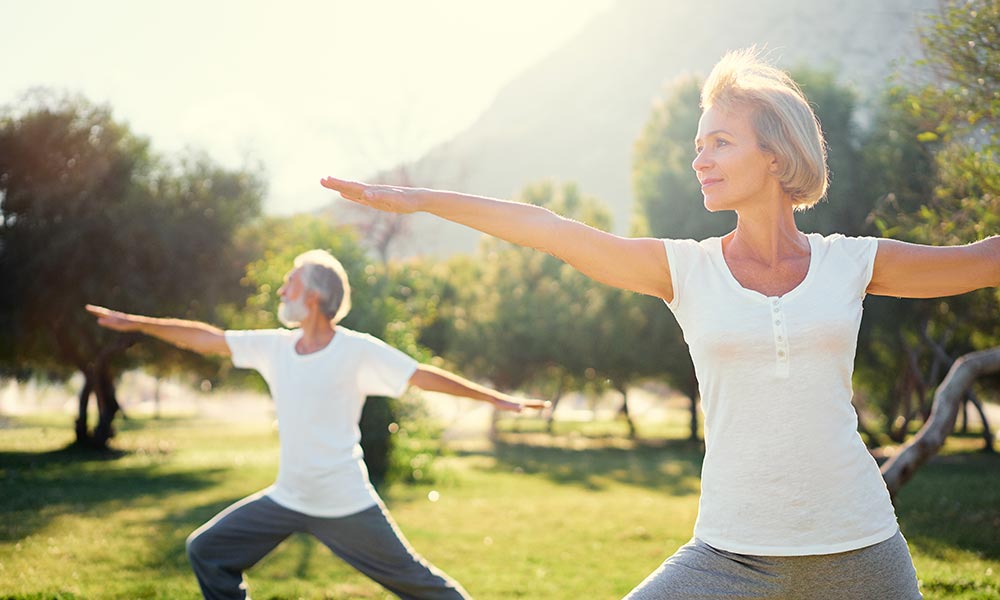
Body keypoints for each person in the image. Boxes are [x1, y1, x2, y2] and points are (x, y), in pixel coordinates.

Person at [319, 48, 1000, 599]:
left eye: (720, 142)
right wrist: (417, 199)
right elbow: (546, 229)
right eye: (697, 144)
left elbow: (982, 260)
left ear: (775, 153)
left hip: (860, 550)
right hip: (732, 557)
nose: (698, 159)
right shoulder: (685, 270)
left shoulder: (850, 264)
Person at [86, 249, 546, 600]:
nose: (282, 290)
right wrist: (134, 323)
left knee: (424, 587)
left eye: (290, 282)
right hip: (287, 497)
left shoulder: (357, 350)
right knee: (206, 550)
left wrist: (499, 400)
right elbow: (207, 339)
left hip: (344, 502)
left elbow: (422, 376)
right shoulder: (275, 347)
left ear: (315, 296)